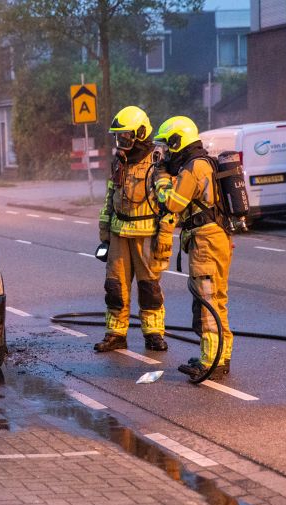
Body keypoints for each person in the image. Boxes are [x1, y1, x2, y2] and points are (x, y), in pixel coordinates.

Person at [152, 116, 233, 381]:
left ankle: (211, 362)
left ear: (177, 141)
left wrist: (161, 179)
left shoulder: (194, 167)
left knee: (207, 301)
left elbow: (173, 203)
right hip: (213, 236)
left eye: (167, 146)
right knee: (217, 299)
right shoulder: (202, 162)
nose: (165, 152)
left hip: (206, 240)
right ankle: (220, 356)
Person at [94, 106, 173, 354]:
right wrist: (104, 235)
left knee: (149, 288)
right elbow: (110, 197)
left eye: (126, 136)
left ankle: (153, 334)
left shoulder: (158, 160)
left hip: (147, 234)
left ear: (140, 133)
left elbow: (168, 204)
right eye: (119, 136)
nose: (121, 141)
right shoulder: (119, 161)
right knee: (115, 287)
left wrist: (165, 236)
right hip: (119, 234)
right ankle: (116, 334)